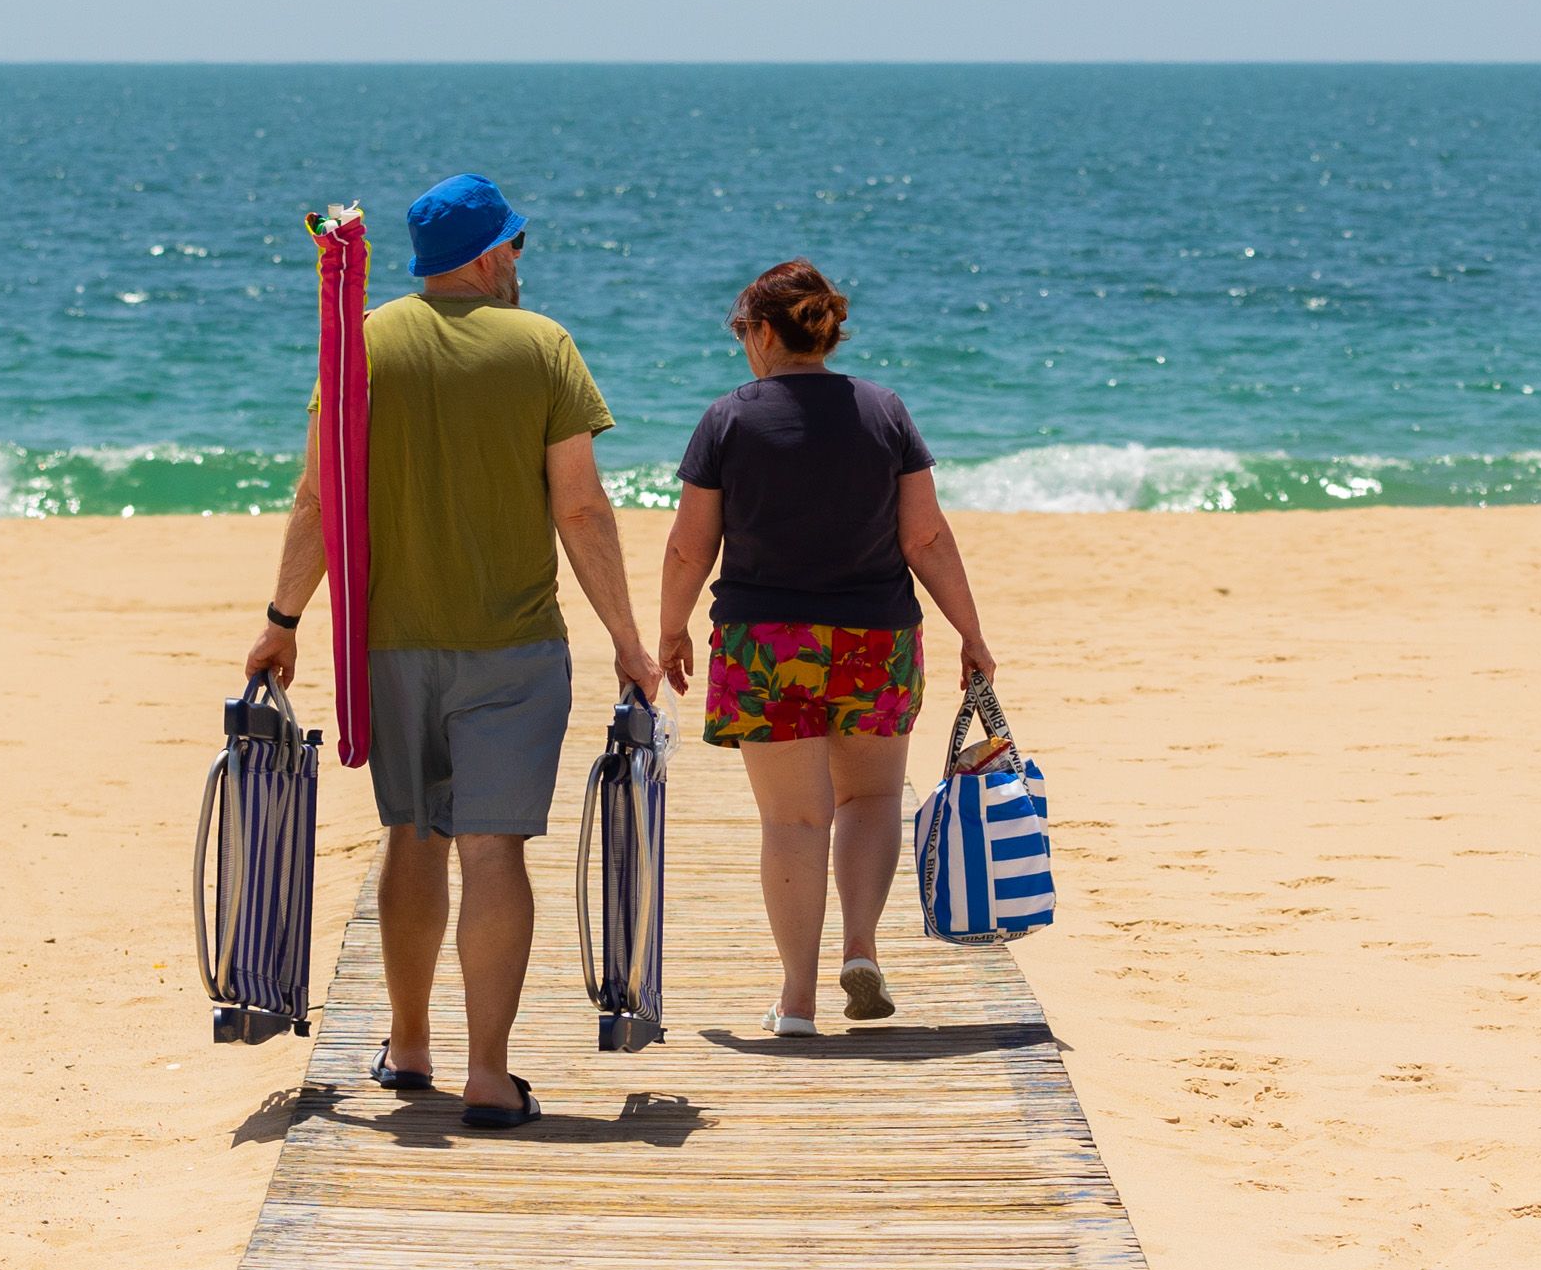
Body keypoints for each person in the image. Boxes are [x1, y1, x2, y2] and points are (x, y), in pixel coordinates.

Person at [248, 172, 660, 1131]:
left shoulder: (361, 344)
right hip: (514, 646)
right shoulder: (543, 346)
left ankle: (411, 1044)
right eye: (514, 245)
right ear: (483, 255)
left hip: (390, 646)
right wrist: (627, 641)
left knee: (413, 835)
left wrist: (283, 617)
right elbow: (582, 508)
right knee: (493, 850)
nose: (519, 261)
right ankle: (487, 1072)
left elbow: (321, 496)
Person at [654, 258, 1000, 1035]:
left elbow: (687, 547)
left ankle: (798, 998)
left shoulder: (728, 419)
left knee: (795, 820)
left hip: (766, 643)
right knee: (871, 799)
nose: (743, 344)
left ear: (767, 331)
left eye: (744, 329)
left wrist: (671, 628)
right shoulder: (885, 412)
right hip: (875, 636)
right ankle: (862, 945)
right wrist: (970, 631)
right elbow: (926, 535)